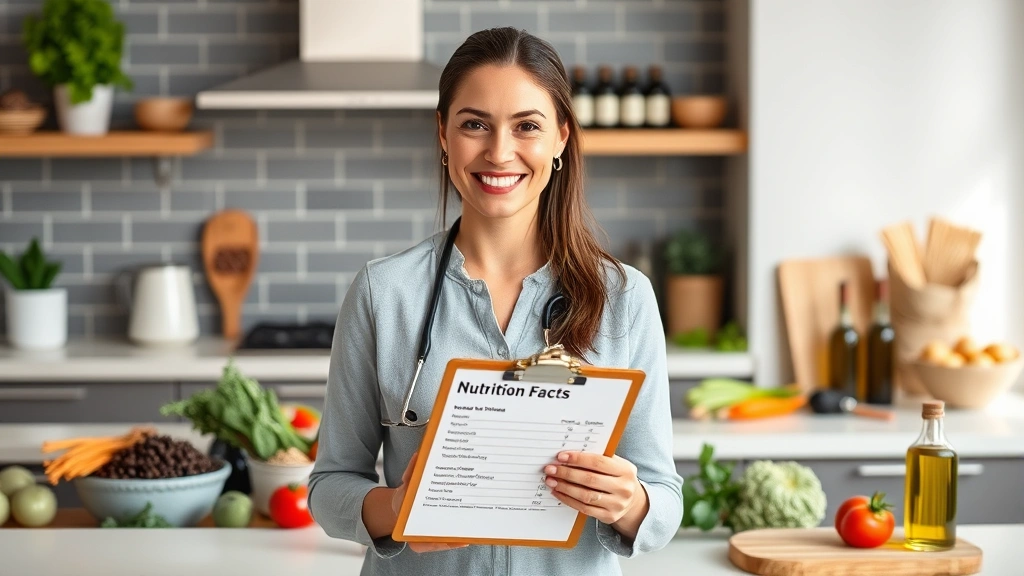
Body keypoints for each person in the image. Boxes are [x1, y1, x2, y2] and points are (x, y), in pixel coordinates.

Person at [307, 27, 683, 575]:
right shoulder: (382, 293)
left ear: (560, 138)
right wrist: (396, 509)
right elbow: (330, 483)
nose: (499, 151)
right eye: (474, 124)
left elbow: (665, 499)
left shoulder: (624, 298)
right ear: (442, 134)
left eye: (526, 126)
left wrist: (631, 503)